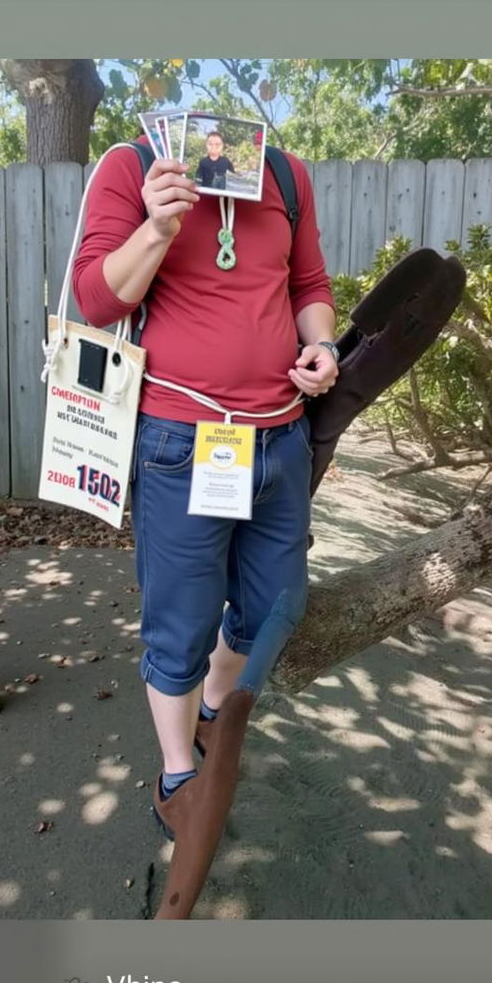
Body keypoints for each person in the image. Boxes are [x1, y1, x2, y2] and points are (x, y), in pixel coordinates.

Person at [72, 135, 338, 834]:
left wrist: (324, 345)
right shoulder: (130, 168)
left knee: (275, 602)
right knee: (181, 622)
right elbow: (96, 298)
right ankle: (176, 771)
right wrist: (156, 225)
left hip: (283, 439)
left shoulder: (285, 171)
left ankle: (214, 708)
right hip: (181, 443)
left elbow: (309, 285)